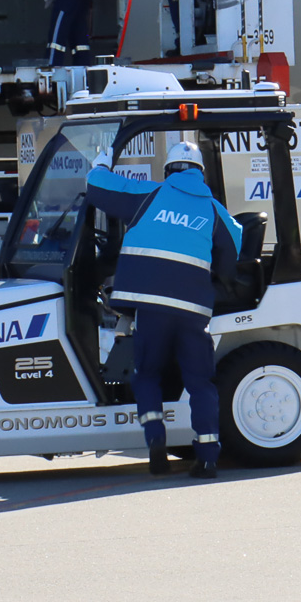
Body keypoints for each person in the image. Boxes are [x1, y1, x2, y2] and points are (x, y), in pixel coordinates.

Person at [86, 140, 243, 480]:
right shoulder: (216, 211)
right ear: (201, 172)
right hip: (192, 310)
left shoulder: (150, 195)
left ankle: (156, 442)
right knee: (201, 383)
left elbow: (98, 188)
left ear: (169, 170)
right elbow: (234, 253)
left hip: (151, 309)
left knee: (148, 375)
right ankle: (207, 460)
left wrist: (100, 163)